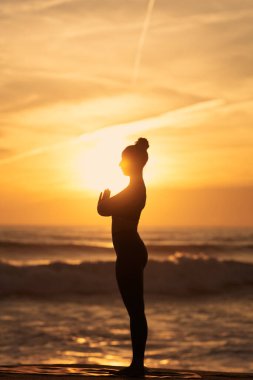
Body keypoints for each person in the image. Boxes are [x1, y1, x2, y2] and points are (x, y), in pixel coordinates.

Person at [97, 137, 149, 377]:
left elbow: (105, 209)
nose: (119, 165)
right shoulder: (132, 188)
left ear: (134, 163)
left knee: (136, 310)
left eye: (122, 160)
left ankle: (137, 365)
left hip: (130, 251)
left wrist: (103, 202)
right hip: (128, 251)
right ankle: (136, 363)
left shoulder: (135, 189)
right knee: (134, 310)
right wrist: (105, 204)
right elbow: (106, 209)